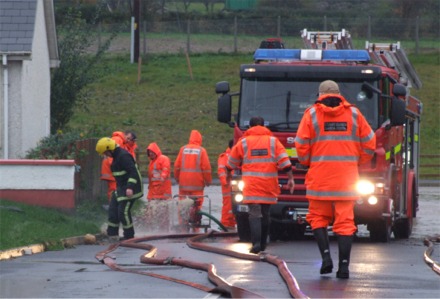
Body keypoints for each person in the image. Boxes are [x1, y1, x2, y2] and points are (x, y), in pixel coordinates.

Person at [295, 80, 376, 279]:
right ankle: (344, 267)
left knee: (317, 219)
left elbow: (301, 145)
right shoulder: (354, 114)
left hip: (319, 179)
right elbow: (369, 143)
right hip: (346, 180)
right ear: (339, 94)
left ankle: (326, 259)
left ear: (319, 94)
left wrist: (307, 162)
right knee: (345, 223)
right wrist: (357, 160)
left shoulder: (311, 114)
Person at [226, 116, 295, 254]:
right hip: (268, 185)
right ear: (264, 126)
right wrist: (290, 179)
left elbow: (231, 162)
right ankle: (263, 243)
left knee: (254, 214)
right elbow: (285, 162)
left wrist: (228, 174)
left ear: (250, 127)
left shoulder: (244, 142)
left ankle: (256, 244)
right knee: (265, 213)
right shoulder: (273, 142)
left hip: (252, 185)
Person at [96, 137, 144, 240]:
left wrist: (130, 187)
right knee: (113, 209)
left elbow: (133, 172)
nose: (106, 155)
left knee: (123, 212)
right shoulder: (116, 157)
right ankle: (112, 234)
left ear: (110, 148)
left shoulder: (124, 156)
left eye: (105, 153)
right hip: (121, 188)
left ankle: (129, 236)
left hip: (132, 188)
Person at [174, 130, 212, 223]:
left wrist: (177, 178)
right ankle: (195, 227)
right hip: (197, 186)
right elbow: (206, 168)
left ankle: (182, 226)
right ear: (199, 139)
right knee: (196, 207)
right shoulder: (201, 151)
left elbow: (176, 166)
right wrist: (208, 181)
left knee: (183, 206)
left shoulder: (183, 149)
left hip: (183, 185)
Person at [145, 142, 172, 231]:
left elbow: (166, 169)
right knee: (153, 213)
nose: (151, 154)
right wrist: (149, 196)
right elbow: (151, 180)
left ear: (156, 151)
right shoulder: (151, 163)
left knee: (164, 213)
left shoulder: (163, 159)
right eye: (149, 153)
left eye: (152, 152)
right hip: (154, 192)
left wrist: (162, 178)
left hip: (163, 192)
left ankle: (164, 230)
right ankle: (155, 230)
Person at [100, 133, 128, 202]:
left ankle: (113, 205)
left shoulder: (117, 139)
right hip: (111, 171)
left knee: (113, 189)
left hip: (109, 171)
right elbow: (113, 155)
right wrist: (116, 166)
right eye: (128, 138)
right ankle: (113, 205)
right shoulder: (118, 139)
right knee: (114, 189)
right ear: (125, 136)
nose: (128, 140)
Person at [217, 139, 236, 229]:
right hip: (229, 185)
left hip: (236, 185)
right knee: (228, 207)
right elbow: (221, 170)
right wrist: (225, 182)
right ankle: (225, 225)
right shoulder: (225, 156)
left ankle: (231, 225)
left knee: (233, 207)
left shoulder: (235, 155)